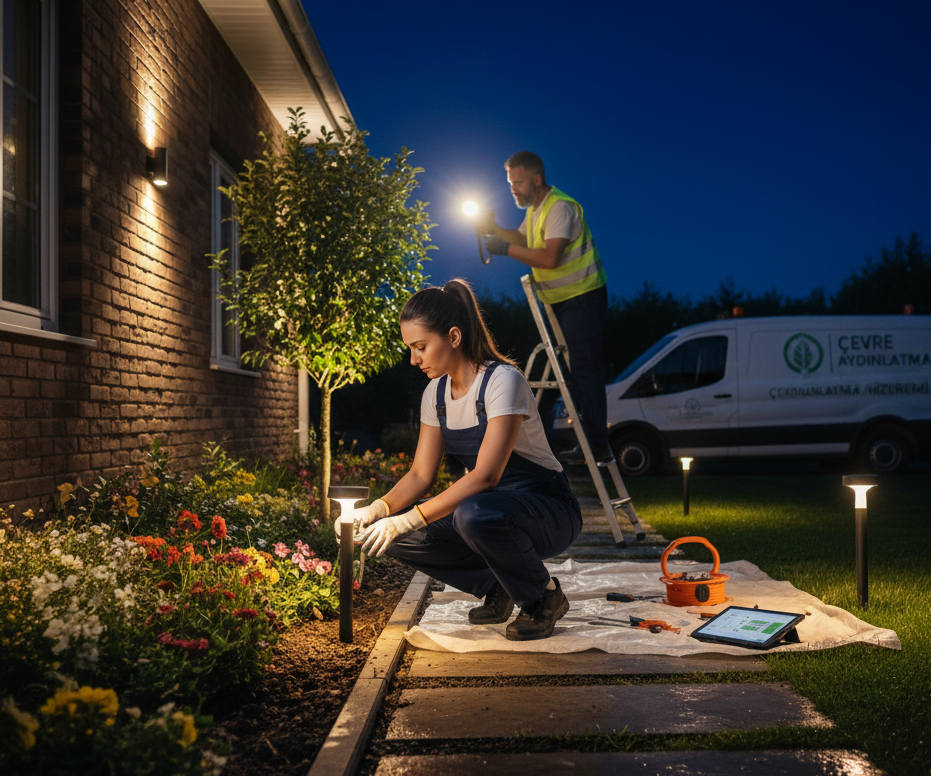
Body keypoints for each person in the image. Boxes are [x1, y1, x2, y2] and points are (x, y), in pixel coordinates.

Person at [353, 279, 582, 641]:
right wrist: (378, 511)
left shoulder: (502, 381)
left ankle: (543, 597)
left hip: (548, 510)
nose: (414, 359)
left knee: (471, 513)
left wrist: (409, 518)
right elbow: (419, 475)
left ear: (454, 337)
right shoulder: (436, 394)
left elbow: (486, 476)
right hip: (487, 509)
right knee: (389, 536)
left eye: (421, 347)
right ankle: (500, 584)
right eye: (411, 349)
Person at [477, 151, 612, 464]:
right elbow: (521, 239)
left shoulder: (559, 207)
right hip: (562, 302)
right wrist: (495, 228)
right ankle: (590, 443)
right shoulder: (537, 210)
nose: (513, 188)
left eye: (519, 182)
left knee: (585, 372)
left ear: (537, 179)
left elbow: (550, 258)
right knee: (576, 373)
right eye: (511, 183)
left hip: (583, 298)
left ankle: (597, 446)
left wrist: (505, 249)